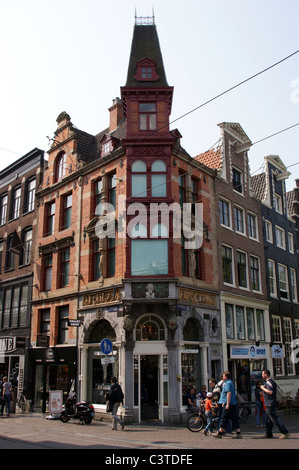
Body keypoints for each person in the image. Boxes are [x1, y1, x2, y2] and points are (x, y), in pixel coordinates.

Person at [260, 370, 289, 439]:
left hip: (270, 404)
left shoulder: (269, 383)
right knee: (269, 420)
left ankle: (284, 432)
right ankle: (268, 433)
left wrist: (263, 388)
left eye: (263, 374)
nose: (262, 375)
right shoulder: (270, 382)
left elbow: (270, 392)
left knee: (275, 419)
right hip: (268, 403)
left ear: (266, 374)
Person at [214, 371, 242, 439]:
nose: (222, 377)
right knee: (234, 418)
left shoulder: (227, 383)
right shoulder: (230, 382)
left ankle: (219, 433)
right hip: (232, 403)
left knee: (224, 417)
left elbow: (228, 393)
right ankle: (238, 432)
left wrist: (227, 404)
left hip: (229, 404)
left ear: (225, 377)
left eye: (223, 376)